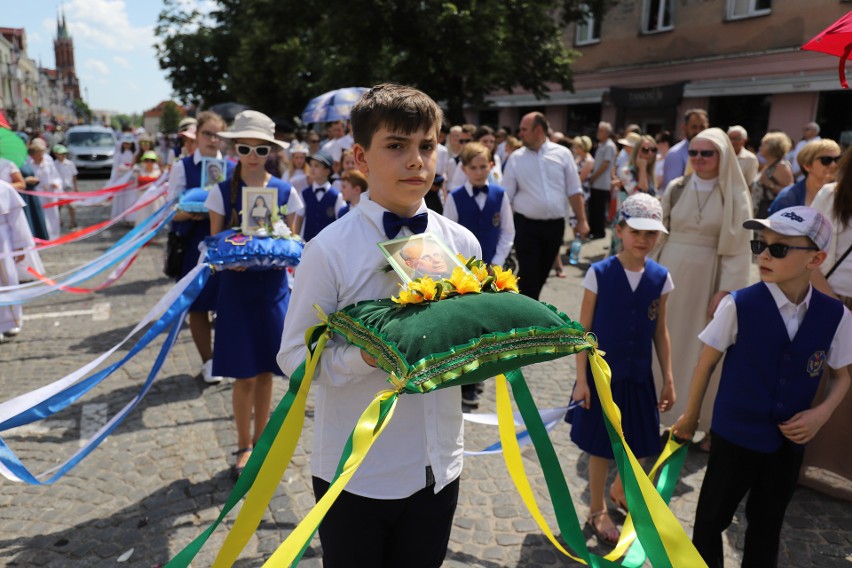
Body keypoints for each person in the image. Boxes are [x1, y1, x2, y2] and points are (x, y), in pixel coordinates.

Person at [277, 83, 480, 568]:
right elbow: (292, 359)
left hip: (439, 463)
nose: (416, 161)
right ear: (360, 157)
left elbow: (470, 342)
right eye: (397, 146)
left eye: (426, 146)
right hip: (357, 470)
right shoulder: (329, 249)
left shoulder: (462, 243)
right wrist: (366, 355)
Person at [672, 206, 851, 568]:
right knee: (710, 521)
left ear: (815, 258)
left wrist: (822, 413)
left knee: (767, 526)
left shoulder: (837, 316)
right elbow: (705, 364)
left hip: (788, 444)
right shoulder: (738, 304)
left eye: (780, 248)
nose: (765, 255)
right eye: (761, 245)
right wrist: (690, 418)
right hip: (734, 435)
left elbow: (841, 376)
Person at [570, 193, 675, 547]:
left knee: (643, 442)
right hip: (603, 380)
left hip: (640, 376)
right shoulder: (599, 273)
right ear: (619, 230)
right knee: (600, 447)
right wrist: (582, 380)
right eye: (636, 231)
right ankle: (597, 506)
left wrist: (669, 379)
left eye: (651, 234)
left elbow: (660, 332)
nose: (644, 240)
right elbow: (583, 332)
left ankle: (620, 489)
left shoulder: (661, 277)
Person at [206, 110, 303, 481]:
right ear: (234, 149)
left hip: (273, 290)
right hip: (236, 290)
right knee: (243, 374)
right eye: (244, 147)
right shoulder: (219, 192)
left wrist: (274, 251)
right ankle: (244, 444)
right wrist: (233, 259)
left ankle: (261, 441)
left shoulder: (286, 191)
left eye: (259, 148)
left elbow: (292, 243)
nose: (251, 154)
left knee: (266, 372)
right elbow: (214, 246)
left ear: (270, 150)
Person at [654, 128, 753, 447]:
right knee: (661, 343)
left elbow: (739, 248)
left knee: (700, 350)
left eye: (706, 153)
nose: (698, 159)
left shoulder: (735, 195)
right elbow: (659, 233)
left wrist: (726, 290)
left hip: (708, 282)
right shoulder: (676, 187)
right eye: (693, 153)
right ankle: (654, 412)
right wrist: (647, 277)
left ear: (722, 156)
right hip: (669, 275)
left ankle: (693, 417)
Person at [443, 141, 515, 409]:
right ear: (463, 169)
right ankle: (466, 381)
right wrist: (461, 269)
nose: (479, 171)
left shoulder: (500, 194)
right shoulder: (454, 197)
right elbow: (448, 236)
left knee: (488, 325)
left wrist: (496, 262)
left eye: (483, 166)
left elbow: (507, 231)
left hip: (492, 270)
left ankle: (481, 372)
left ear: (491, 166)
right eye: (473, 167)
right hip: (464, 273)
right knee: (466, 327)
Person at [167, 111, 231, 385]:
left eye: (218, 135)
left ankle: (228, 356)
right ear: (197, 135)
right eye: (207, 134)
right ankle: (209, 361)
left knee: (227, 303)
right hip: (194, 243)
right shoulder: (183, 167)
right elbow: (171, 211)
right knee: (198, 305)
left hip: (227, 243)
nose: (212, 140)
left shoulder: (232, 167)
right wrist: (192, 212)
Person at [502, 112, 589, 299]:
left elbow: (574, 190)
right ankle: (526, 316)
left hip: (555, 226)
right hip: (526, 227)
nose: (520, 134)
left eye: (524, 129)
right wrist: (504, 229)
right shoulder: (516, 158)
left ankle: (525, 308)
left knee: (542, 273)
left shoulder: (563, 154)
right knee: (529, 274)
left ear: (538, 130)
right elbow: (506, 197)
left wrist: (582, 221)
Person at [807, 147, 852, 489]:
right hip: (824, 298)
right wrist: (833, 302)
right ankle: (796, 463)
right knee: (811, 379)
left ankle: (841, 471)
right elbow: (808, 247)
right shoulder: (830, 194)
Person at [0, 179, 35, 343]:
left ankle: (9, 321)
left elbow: (17, 219)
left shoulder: (4, 188)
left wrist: (20, 246)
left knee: (7, 280)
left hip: (2, 242)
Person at [611, 135, 657, 255]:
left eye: (653, 150)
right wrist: (642, 168)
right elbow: (641, 196)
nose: (650, 153)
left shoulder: (650, 173)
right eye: (645, 150)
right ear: (637, 151)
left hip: (643, 226)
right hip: (626, 226)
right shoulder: (626, 171)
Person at [768, 139, 841, 214]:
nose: (834, 165)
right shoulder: (788, 198)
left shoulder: (843, 195)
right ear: (807, 166)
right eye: (826, 160)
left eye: (837, 160)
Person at [295, 150, 345, 241]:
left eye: (316, 166)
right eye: (311, 165)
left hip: (329, 244)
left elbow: (341, 222)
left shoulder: (336, 196)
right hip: (308, 243)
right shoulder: (304, 193)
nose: (312, 169)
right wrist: (295, 240)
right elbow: (299, 218)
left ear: (327, 171)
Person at [662, 108, 709, 189]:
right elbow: (673, 191)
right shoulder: (675, 154)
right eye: (694, 127)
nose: (698, 131)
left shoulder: (713, 152)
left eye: (702, 127)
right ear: (684, 128)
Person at [25, 138, 62, 241]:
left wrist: (56, 183)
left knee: (52, 215)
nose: (42, 156)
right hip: (37, 194)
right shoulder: (29, 164)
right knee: (40, 215)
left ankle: (54, 235)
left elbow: (56, 176)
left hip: (49, 193)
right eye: (39, 154)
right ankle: (42, 235)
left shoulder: (48, 163)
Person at [753, 132, 794, 218]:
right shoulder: (769, 165)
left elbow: (789, 193)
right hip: (758, 212)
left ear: (773, 147)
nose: (760, 148)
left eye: (763, 144)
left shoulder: (781, 166)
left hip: (768, 215)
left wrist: (770, 185)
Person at [588, 121, 617, 239]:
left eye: (601, 131)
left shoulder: (609, 145)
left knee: (599, 209)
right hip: (596, 183)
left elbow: (606, 163)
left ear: (607, 133)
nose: (598, 133)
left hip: (602, 183)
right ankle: (593, 230)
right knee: (593, 208)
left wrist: (593, 177)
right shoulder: (601, 144)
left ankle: (599, 232)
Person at [109, 134, 137, 222]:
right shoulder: (119, 154)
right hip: (121, 179)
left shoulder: (134, 154)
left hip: (131, 180)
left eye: (129, 144)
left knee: (130, 198)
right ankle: (122, 217)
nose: (127, 145)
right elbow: (116, 167)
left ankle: (131, 217)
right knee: (121, 198)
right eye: (125, 143)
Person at [52, 144, 78, 229]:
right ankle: (59, 220)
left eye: (64, 154)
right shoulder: (54, 164)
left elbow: (74, 176)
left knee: (71, 206)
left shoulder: (70, 164)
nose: (62, 155)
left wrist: (75, 187)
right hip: (59, 188)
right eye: (60, 154)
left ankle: (73, 221)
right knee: (58, 206)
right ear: (56, 154)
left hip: (68, 187)